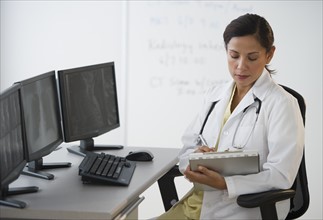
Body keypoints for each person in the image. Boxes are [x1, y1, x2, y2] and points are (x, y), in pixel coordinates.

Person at [156, 13, 304, 219]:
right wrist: (194, 159)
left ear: (269, 55)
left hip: (239, 211)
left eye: (252, 57)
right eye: (234, 55)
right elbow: (186, 150)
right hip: (195, 205)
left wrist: (225, 183)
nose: (241, 66)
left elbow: (281, 175)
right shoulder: (214, 96)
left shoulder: (282, 104)